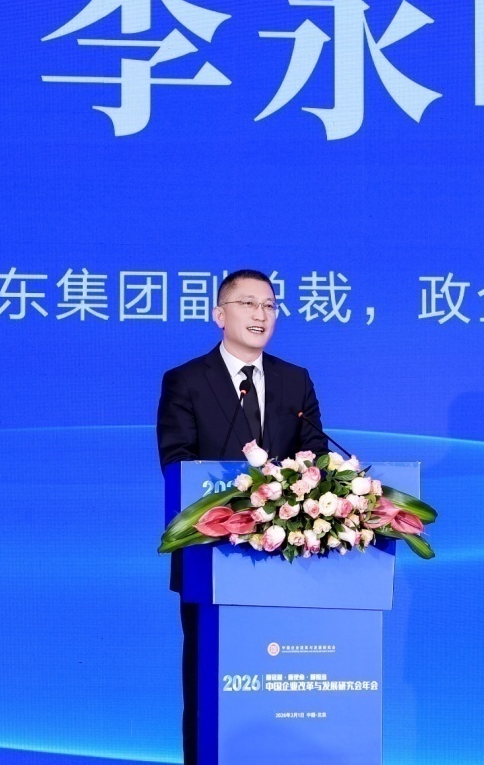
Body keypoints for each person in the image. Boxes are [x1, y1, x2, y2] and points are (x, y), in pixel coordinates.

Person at [155, 268, 328, 764]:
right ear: (219, 314)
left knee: (280, 683)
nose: (261, 314)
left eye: (269, 306)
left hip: (288, 563)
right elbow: (177, 463)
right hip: (213, 560)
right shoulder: (186, 380)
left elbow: (315, 456)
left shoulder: (295, 380)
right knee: (210, 684)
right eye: (248, 303)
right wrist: (245, 496)